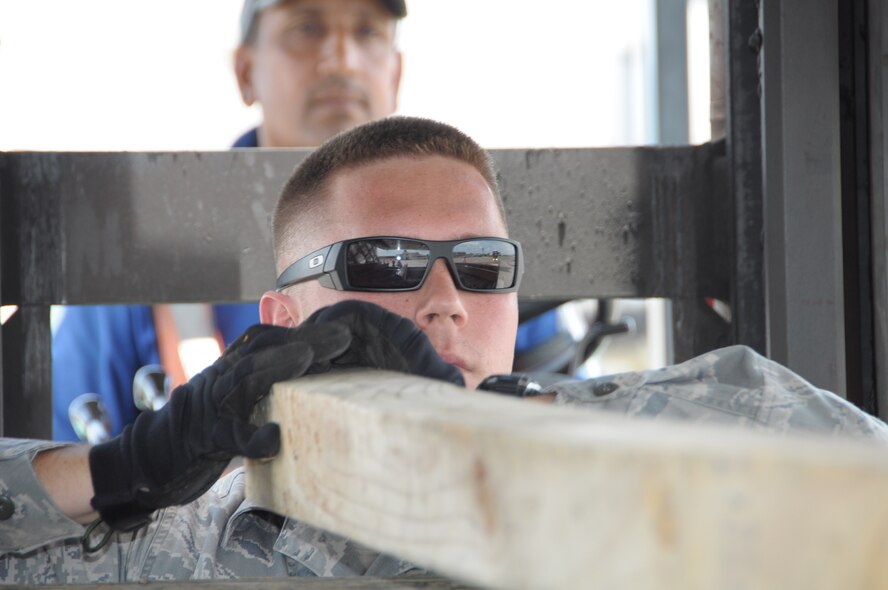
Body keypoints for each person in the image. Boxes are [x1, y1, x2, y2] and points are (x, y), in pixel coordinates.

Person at [3, 117, 887, 584]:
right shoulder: (180, 538)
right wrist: (129, 465)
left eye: (479, 267)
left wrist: (518, 444)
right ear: (280, 313)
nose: (441, 302)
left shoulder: (724, 413)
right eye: (382, 264)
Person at [51, 0, 407, 442]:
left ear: (396, 73)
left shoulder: (465, 245)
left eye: (368, 32)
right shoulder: (146, 251)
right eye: (307, 27)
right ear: (244, 71)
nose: (342, 59)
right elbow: (52, 467)